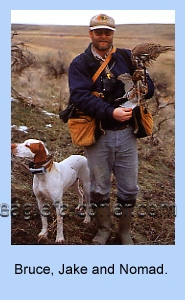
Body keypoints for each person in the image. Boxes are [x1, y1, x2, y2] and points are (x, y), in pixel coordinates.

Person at [68, 13, 154, 245]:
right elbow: (80, 97)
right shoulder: (80, 63)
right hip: (99, 135)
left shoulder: (127, 57)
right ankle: (104, 229)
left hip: (127, 134)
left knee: (129, 188)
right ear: (91, 34)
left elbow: (149, 89)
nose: (103, 36)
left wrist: (143, 85)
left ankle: (124, 232)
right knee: (98, 188)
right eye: (98, 32)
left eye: (107, 32)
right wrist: (110, 112)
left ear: (113, 33)